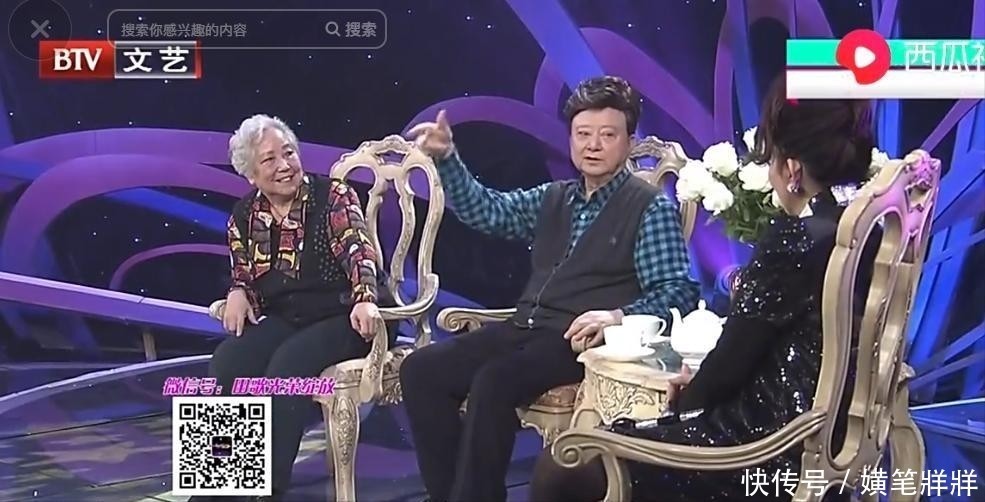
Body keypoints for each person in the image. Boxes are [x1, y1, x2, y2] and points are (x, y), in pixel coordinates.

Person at [529, 77, 879, 501]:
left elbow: (728, 368)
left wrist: (688, 397)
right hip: (832, 439)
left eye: (770, 158)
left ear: (791, 171)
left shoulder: (797, 239)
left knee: (566, 463)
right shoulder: (867, 229)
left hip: (766, 448)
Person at [400, 76, 700, 501]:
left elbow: (677, 290)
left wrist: (617, 317)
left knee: (494, 381)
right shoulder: (554, 197)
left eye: (607, 135)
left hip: (577, 341)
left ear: (629, 142)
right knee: (421, 369)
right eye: (583, 134)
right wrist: (447, 159)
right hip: (524, 326)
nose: (593, 145)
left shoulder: (648, 208)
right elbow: (489, 212)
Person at [196, 114, 393, 501]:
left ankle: (268, 491)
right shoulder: (244, 215)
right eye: (269, 160)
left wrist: (366, 297)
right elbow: (244, 273)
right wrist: (239, 291)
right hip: (292, 316)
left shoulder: (333, 197)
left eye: (288, 153)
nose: (284, 165)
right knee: (227, 362)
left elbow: (359, 251)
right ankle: (218, 488)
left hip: (348, 313)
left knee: (287, 366)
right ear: (251, 174)